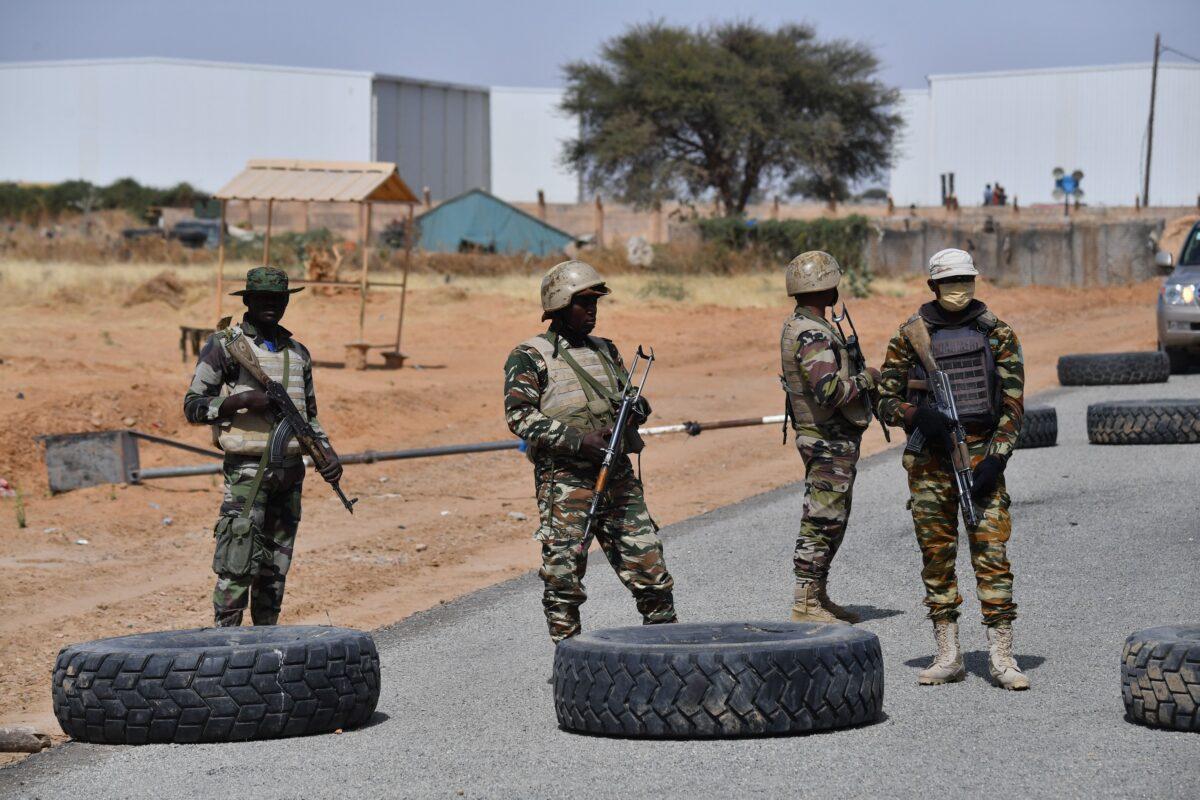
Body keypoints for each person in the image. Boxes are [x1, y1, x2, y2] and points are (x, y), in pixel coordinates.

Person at [875, 248, 1029, 690]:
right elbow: (884, 399)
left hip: (981, 452)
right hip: (930, 462)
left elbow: (1013, 405)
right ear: (934, 287)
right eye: (950, 282)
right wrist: (915, 415)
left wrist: (997, 457)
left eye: (965, 281)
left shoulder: (997, 333)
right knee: (936, 557)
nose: (959, 290)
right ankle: (949, 652)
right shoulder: (910, 335)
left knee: (992, 553)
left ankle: (1001, 654)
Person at [504, 260, 677, 643]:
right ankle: (570, 663)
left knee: (652, 572)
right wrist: (578, 439)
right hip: (565, 484)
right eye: (584, 303)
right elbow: (519, 418)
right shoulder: (529, 356)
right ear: (561, 305)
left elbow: (628, 397)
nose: (592, 311)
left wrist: (636, 409)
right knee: (563, 581)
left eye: (595, 303)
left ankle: (667, 653)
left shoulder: (606, 350)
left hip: (616, 477)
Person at [183, 266, 342, 626]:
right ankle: (227, 642)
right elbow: (193, 406)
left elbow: (308, 415)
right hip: (247, 472)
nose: (272, 305)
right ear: (248, 301)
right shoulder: (224, 346)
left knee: (275, 568)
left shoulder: (298, 353)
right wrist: (240, 402)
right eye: (263, 298)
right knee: (237, 559)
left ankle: (265, 641)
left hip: (289, 473)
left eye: (279, 298)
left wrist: (326, 453)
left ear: (287, 301)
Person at [779, 252, 879, 623]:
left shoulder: (809, 325)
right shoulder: (812, 333)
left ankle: (817, 596)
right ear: (825, 286)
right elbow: (830, 392)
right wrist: (868, 378)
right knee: (821, 519)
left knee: (832, 518)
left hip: (830, 438)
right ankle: (805, 602)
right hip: (825, 439)